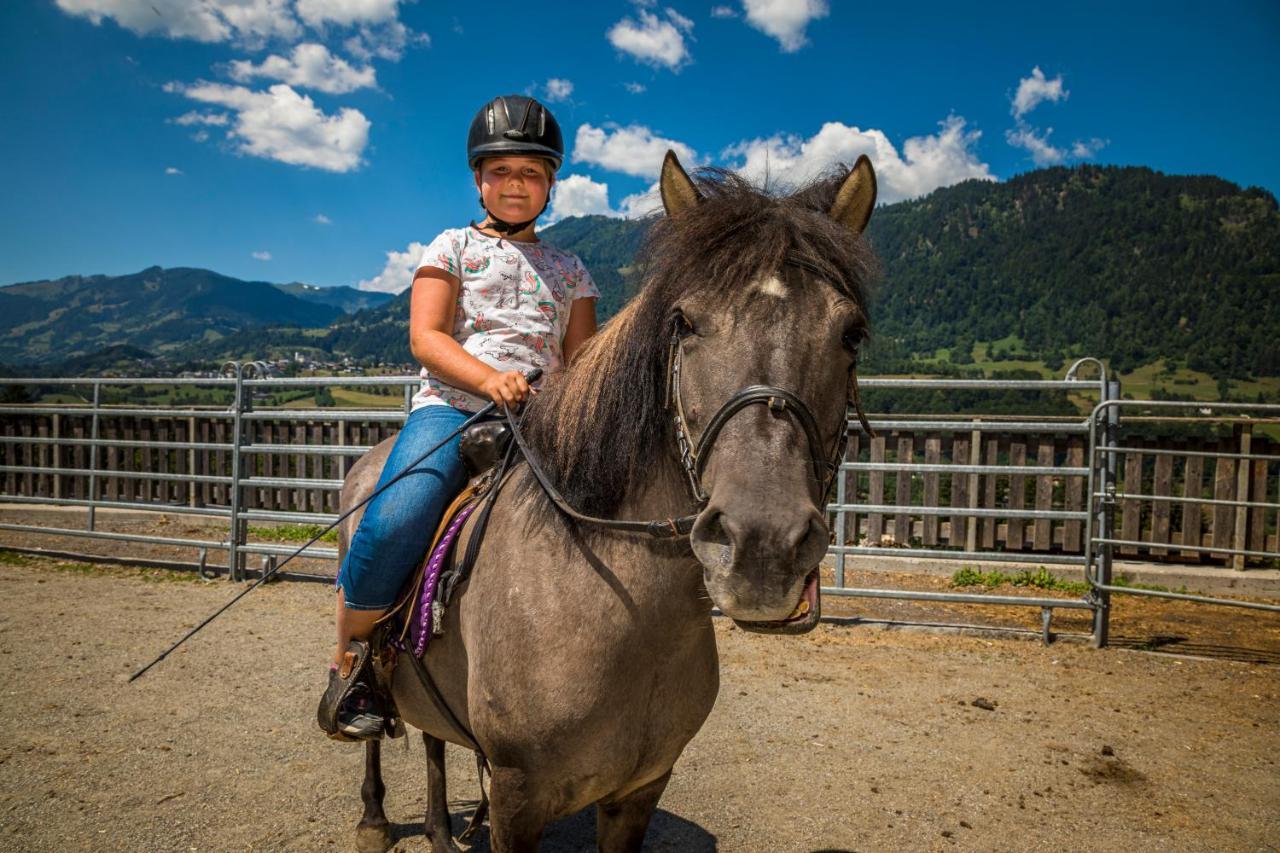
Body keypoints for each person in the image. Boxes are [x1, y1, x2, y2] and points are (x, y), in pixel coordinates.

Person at [321, 94, 600, 740]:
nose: (515, 185)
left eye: (531, 173)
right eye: (501, 171)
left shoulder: (571, 269)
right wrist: (489, 378)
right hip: (454, 409)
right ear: (479, 179)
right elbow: (427, 337)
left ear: (551, 183)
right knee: (398, 511)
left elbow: (581, 357)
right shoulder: (450, 247)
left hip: (544, 418)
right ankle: (353, 663)